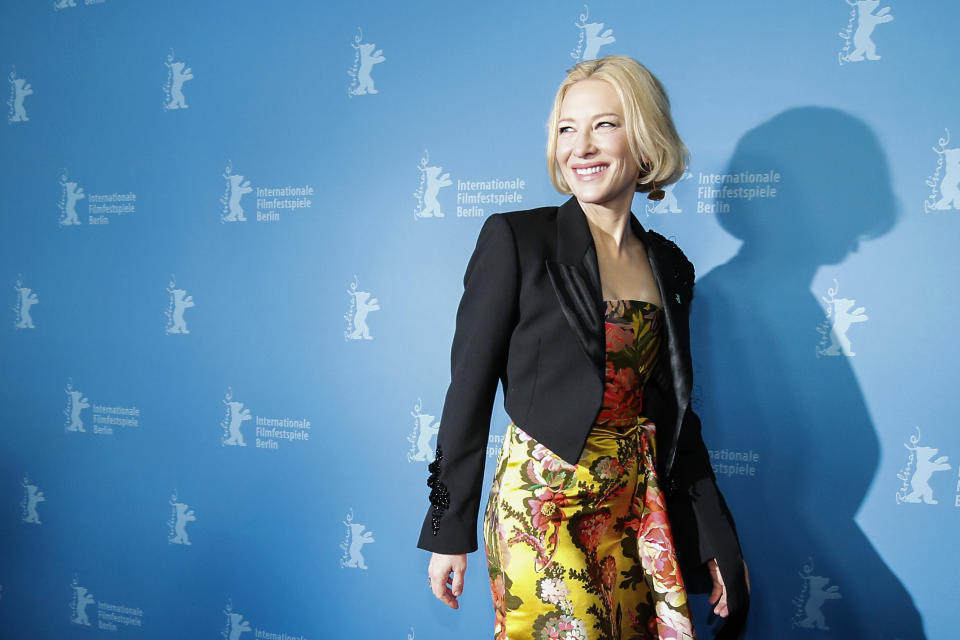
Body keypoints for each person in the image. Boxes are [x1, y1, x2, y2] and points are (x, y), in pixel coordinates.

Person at [417, 55, 749, 639]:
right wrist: (448, 529)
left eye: (605, 125)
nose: (581, 147)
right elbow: (467, 393)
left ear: (645, 141)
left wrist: (716, 536)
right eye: (567, 129)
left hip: (634, 509)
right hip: (541, 511)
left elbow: (673, 414)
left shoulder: (670, 265)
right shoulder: (517, 240)